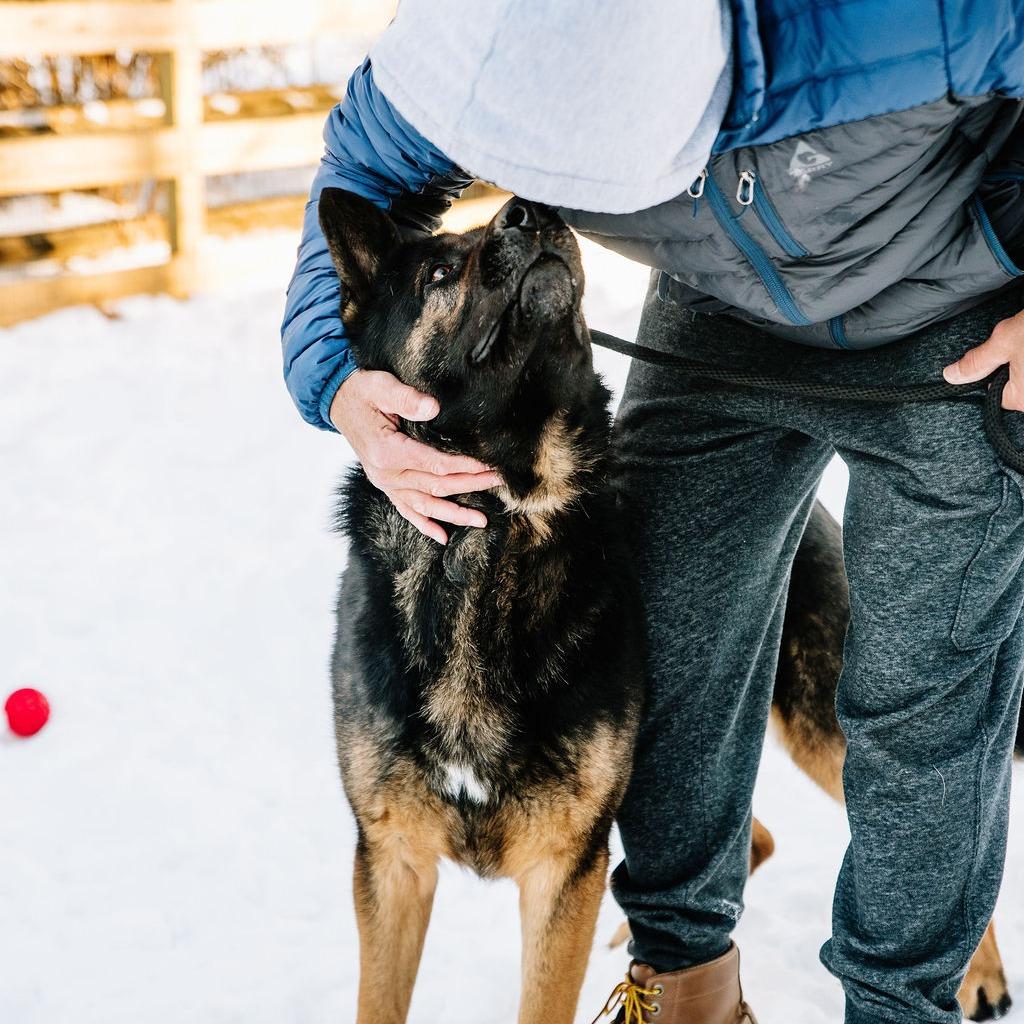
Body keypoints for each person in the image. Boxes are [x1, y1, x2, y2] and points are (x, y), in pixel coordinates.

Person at [281, 3, 1024, 1021]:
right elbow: (364, 174)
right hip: (715, 305)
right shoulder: (462, 54)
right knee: (661, 643)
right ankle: (684, 988)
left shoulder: (910, 20)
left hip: (951, 309)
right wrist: (333, 378)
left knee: (919, 706)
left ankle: (903, 1009)